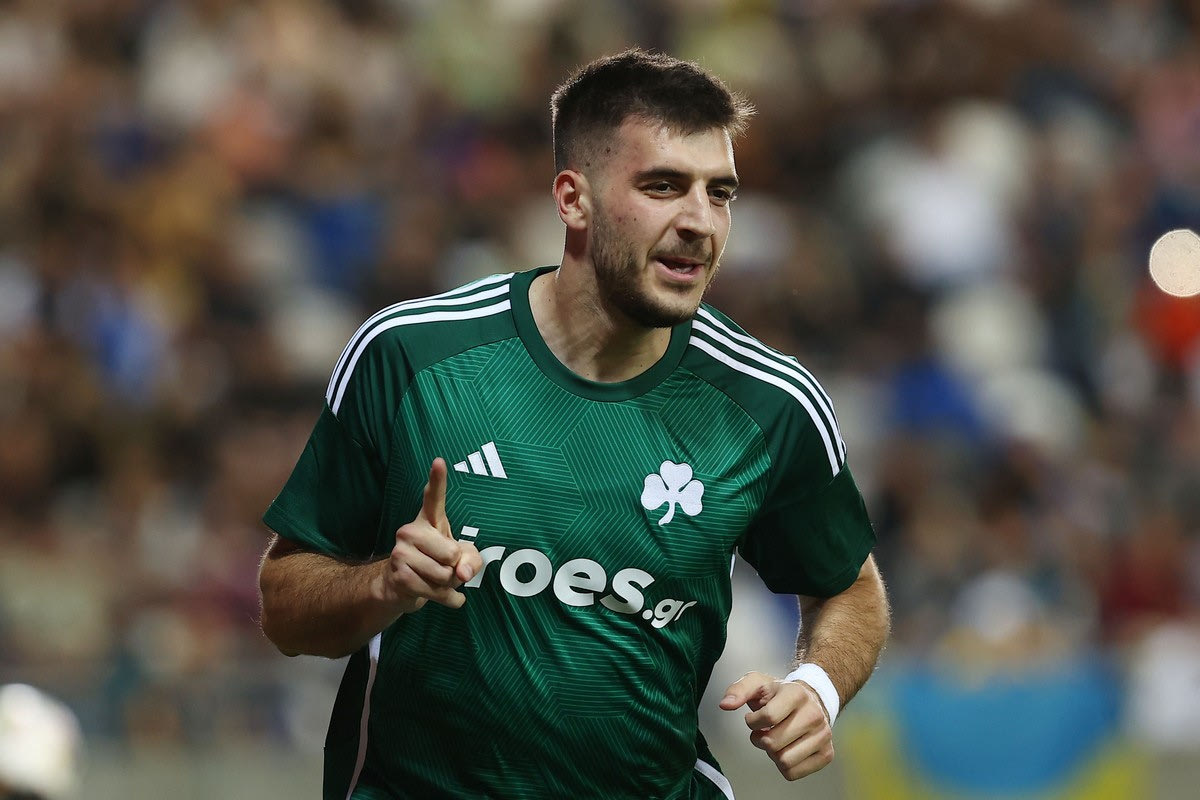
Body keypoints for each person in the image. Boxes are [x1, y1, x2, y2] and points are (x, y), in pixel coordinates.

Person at [259, 48, 890, 800]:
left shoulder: (768, 404)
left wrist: (818, 687)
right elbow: (284, 605)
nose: (700, 222)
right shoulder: (413, 357)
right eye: (663, 186)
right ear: (572, 200)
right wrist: (383, 586)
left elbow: (850, 589)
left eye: (719, 193)